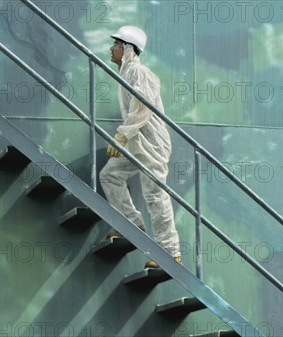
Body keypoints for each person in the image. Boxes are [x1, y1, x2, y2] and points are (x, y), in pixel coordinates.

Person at [99, 26, 181, 268]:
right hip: (137, 141)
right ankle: (131, 223)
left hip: (151, 142)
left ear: (127, 49)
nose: (111, 49)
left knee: (155, 194)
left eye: (115, 44)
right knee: (110, 175)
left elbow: (142, 108)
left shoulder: (139, 73)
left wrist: (121, 135)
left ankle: (169, 252)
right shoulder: (126, 74)